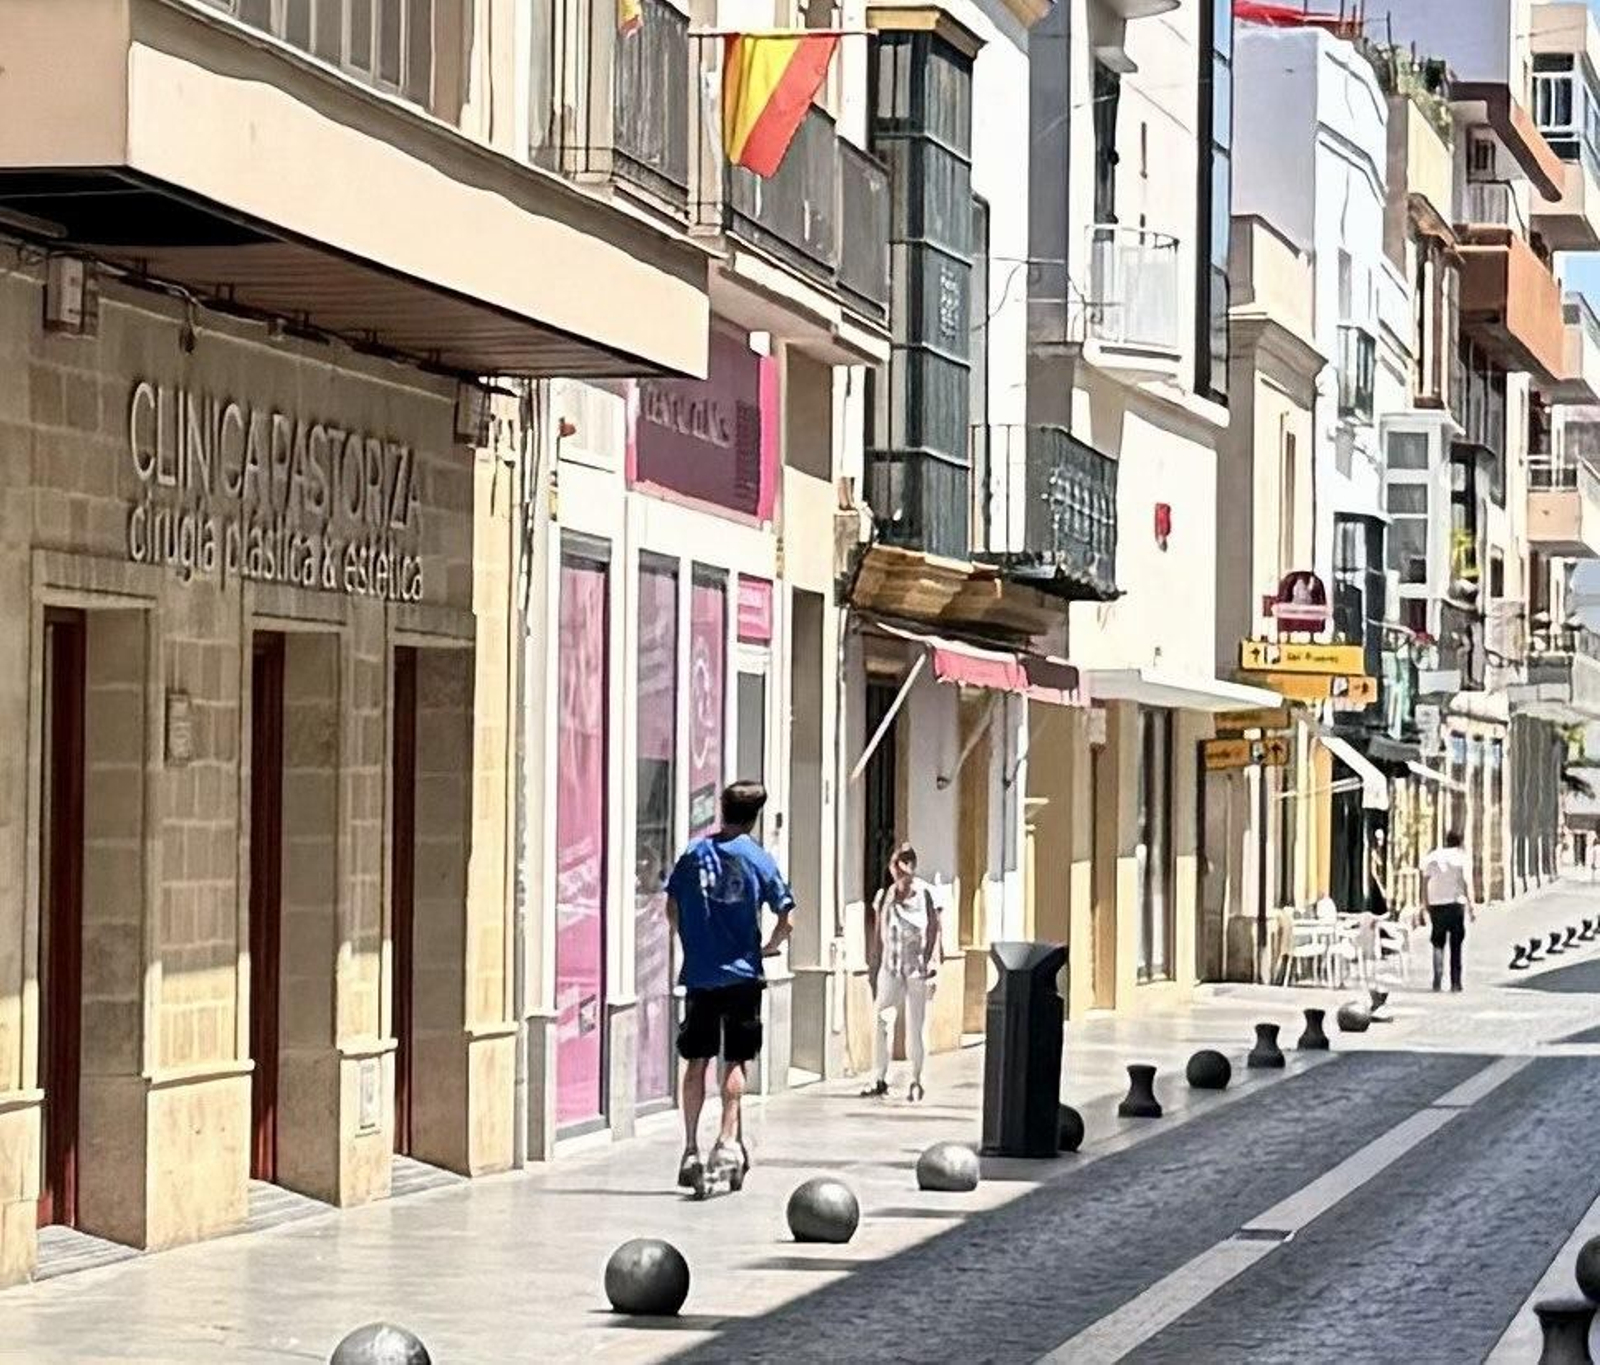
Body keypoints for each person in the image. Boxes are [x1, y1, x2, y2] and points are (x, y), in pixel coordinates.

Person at [665, 780, 794, 1188]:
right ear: (755, 817)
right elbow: (788, 915)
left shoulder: (694, 855)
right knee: (735, 1061)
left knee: (696, 1062)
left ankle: (689, 1149)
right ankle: (725, 1140)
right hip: (742, 974)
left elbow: (672, 907)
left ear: (722, 810)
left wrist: (692, 940)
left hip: (701, 975)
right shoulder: (759, 859)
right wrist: (769, 947)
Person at [862, 843, 941, 1102]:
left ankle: (917, 1080)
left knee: (917, 1027)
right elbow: (880, 930)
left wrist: (932, 960)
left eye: (904, 864)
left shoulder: (926, 893)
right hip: (891, 966)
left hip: (918, 969)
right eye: (896, 865)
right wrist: (875, 960)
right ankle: (880, 1077)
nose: (899, 871)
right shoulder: (886, 895)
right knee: (883, 1019)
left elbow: (935, 929)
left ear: (912, 867)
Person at [1421, 829, 1475, 993]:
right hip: (1455, 904)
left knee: (1438, 942)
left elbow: (1425, 880)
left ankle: (1437, 978)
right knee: (1456, 944)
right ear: (1460, 842)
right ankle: (1455, 981)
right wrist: (1471, 906)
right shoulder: (1461, 857)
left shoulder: (1434, 856)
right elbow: (1466, 882)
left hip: (1436, 903)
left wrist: (1425, 902)